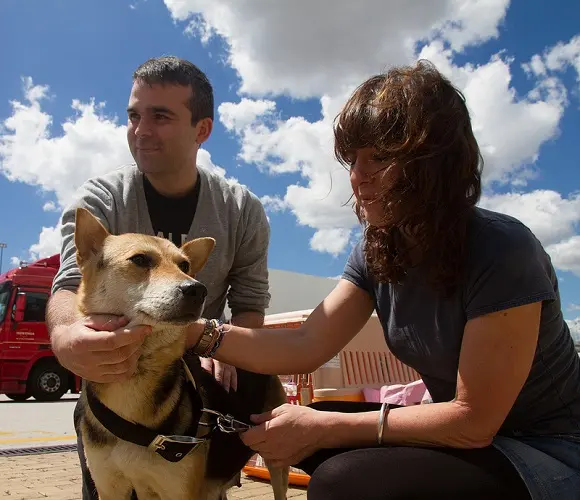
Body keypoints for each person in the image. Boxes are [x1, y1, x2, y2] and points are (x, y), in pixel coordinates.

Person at [183, 61, 580, 499]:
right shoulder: (377, 252)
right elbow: (303, 345)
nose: (357, 176)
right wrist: (196, 333)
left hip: (545, 450)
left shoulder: (502, 249)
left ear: (437, 163)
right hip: (473, 439)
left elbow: (473, 421)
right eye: (353, 159)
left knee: (341, 479)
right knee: (286, 426)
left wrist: (328, 428)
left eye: (381, 157)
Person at [46, 56, 271, 499]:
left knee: (235, 392)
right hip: (116, 360)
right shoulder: (100, 199)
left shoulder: (241, 210)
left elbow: (250, 301)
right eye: (134, 115)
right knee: (89, 409)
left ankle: (211, 483)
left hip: (199, 354)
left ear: (202, 129)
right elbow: (68, 283)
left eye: (161, 116)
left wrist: (230, 345)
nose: (141, 130)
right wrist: (68, 336)